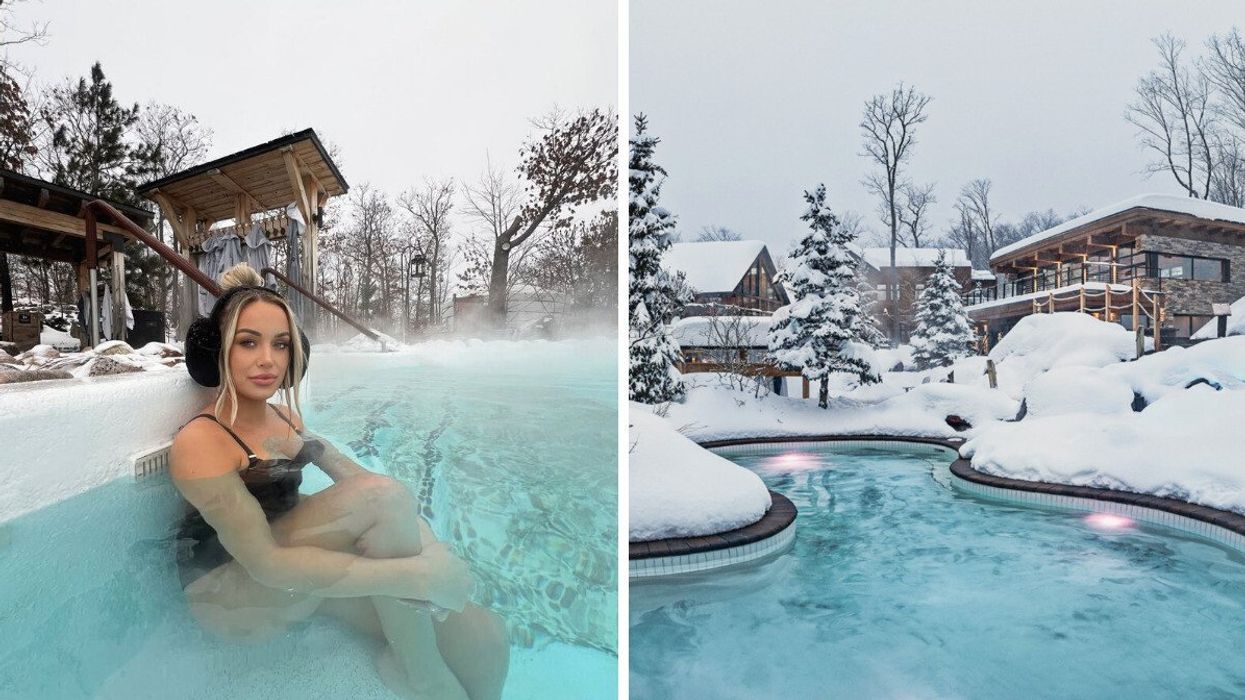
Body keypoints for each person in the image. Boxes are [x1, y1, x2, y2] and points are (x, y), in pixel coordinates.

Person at [170, 262, 508, 700]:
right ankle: (420, 674)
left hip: (299, 574)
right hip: (233, 597)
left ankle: (419, 666)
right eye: (248, 343)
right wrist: (415, 577)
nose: (267, 360)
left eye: (281, 344)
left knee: (484, 637)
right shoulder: (202, 441)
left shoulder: (284, 417)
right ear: (218, 351)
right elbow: (265, 563)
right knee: (381, 503)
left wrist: (432, 553)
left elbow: (370, 489)